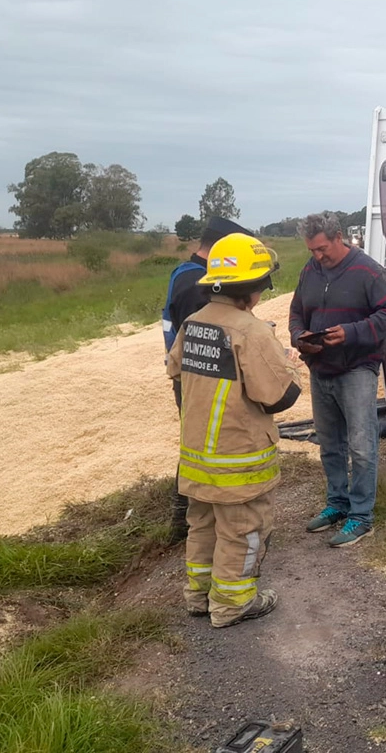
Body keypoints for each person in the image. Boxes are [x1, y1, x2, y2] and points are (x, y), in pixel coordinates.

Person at [167, 232, 301, 628]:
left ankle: (198, 596)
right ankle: (232, 604)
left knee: (203, 524)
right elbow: (278, 396)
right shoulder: (252, 331)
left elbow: (174, 368)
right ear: (255, 286)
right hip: (237, 455)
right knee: (243, 529)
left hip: (195, 455)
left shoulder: (194, 323)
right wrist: (287, 360)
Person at [288, 215, 386, 548]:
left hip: (356, 369)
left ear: (340, 237)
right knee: (330, 445)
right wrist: (299, 336)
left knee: (361, 445)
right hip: (320, 368)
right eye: (312, 250)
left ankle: (362, 516)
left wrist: (351, 333)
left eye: (322, 248)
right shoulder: (310, 271)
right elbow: (297, 311)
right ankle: (337, 504)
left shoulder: (368, 271)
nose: (318, 256)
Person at [161, 215, 251, 542]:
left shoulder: (185, 274)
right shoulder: (196, 284)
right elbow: (210, 335)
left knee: (198, 442)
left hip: (192, 374)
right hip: (197, 377)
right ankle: (184, 520)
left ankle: (188, 517)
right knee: (199, 445)